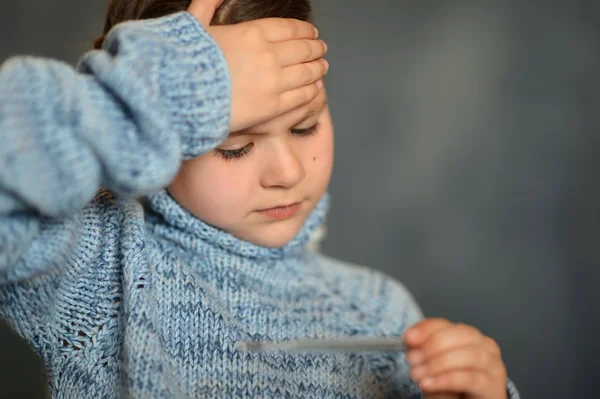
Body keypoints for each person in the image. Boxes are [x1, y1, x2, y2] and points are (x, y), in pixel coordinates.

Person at [0, 0, 519, 397]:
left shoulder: (381, 310)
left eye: (305, 125)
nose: (288, 172)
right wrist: (171, 82)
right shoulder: (96, 267)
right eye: (236, 146)